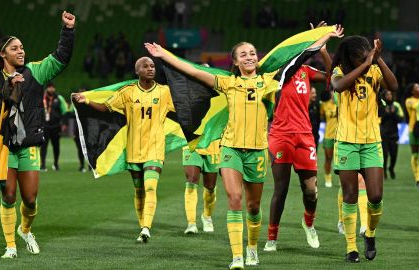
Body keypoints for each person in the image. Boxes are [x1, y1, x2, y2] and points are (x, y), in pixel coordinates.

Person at [145, 24, 343, 269]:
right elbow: (194, 72)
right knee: (235, 198)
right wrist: (164, 55)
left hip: (258, 151)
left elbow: (298, 56)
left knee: (253, 207)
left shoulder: (269, 80)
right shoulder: (227, 82)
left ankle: (252, 248)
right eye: (243, 55)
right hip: (230, 149)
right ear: (236, 62)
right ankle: (237, 256)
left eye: (252, 53)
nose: (249, 57)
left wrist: (323, 36)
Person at [0, 11, 75, 258]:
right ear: (3, 54)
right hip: (4, 145)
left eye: (22, 48)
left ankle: (25, 230)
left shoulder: (35, 72)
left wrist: (68, 31)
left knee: (30, 199)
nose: (21, 51)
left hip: (29, 143)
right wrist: (9, 88)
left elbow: (61, 57)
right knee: (9, 195)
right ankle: (10, 246)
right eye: (15, 48)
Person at [73, 57, 174, 243]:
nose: (151, 69)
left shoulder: (165, 92)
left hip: (155, 148)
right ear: (137, 71)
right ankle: (142, 224)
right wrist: (86, 100)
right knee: (139, 191)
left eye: (152, 66)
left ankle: (146, 228)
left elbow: (183, 110)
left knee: (151, 186)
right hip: (134, 149)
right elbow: (105, 107)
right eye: (146, 66)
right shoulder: (127, 92)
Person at [264, 22, 342, 253]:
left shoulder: (306, 72)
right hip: (280, 135)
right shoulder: (279, 73)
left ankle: (309, 224)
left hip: (305, 135)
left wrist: (325, 50)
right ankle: (272, 238)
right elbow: (302, 55)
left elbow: (332, 77)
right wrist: (319, 37)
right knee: (281, 189)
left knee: (310, 190)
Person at [331, 36, 398, 262]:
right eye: (363, 51)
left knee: (376, 196)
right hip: (347, 142)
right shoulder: (339, 71)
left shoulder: (375, 70)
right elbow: (339, 87)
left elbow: (394, 86)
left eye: (368, 50)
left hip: (371, 141)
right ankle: (351, 247)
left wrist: (379, 61)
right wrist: (365, 64)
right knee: (350, 197)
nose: (367, 53)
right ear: (353, 54)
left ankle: (370, 233)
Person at [182, 140, 220, 234]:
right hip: (192, 144)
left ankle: (207, 216)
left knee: (210, 187)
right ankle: (191, 223)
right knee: (191, 181)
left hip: (213, 146)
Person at [40, 82, 69, 171]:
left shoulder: (59, 98)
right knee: (43, 146)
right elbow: (37, 111)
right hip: (44, 126)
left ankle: (56, 164)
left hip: (56, 126)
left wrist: (64, 124)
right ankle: (43, 165)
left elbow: (65, 111)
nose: (51, 89)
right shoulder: (42, 98)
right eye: (49, 87)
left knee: (56, 146)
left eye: (53, 87)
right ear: (47, 88)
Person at [380, 90, 404, 179]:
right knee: (384, 155)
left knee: (394, 155)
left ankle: (391, 168)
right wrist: (386, 113)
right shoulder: (381, 105)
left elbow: (401, 119)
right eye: (387, 94)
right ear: (384, 96)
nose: (389, 96)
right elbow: (379, 119)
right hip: (383, 134)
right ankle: (384, 172)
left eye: (390, 94)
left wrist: (393, 113)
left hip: (394, 134)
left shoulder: (396, 105)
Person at [320, 90, 337, 187]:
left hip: (340, 136)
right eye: (332, 92)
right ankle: (328, 179)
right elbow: (321, 116)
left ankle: (342, 180)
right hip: (328, 135)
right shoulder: (324, 104)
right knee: (328, 158)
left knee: (342, 159)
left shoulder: (342, 103)